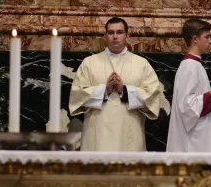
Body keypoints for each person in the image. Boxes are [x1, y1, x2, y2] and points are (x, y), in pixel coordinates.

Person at [69, 17, 163, 151]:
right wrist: (104, 91)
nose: (115, 37)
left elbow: (153, 95)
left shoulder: (141, 64)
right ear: (104, 36)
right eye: (111, 32)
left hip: (129, 134)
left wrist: (124, 91)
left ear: (127, 36)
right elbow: (77, 94)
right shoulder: (89, 63)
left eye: (119, 32)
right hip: (97, 136)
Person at [167, 19, 211, 152]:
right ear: (195, 38)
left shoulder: (195, 65)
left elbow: (194, 103)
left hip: (200, 135)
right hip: (193, 142)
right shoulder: (190, 66)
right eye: (207, 37)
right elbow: (186, 107)